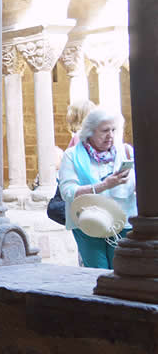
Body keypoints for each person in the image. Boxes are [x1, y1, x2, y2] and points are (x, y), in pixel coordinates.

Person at [58, 108, 136, 269]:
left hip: (122, 222)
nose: (111, 135)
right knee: (97, 271)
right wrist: (104, 185)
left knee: (121, 270)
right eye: (105, 131)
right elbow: (67, 192)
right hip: (88, 222)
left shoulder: (126, 152)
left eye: (113, 130)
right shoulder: (72, 155)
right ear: (89, 132)